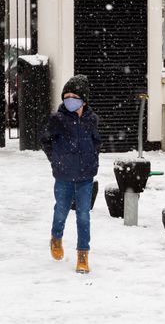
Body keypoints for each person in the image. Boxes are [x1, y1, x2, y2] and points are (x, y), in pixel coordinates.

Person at [40, 74, 101, 273]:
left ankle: (83, 255)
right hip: (63, 175)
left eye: (74, 95)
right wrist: (55, 159)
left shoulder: (92, 119)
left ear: (84, 99)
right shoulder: (57, 119)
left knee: (83, 216)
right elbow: (45, 140)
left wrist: (93, 159)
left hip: (85, 177)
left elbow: (96, 142)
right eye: (66, 96)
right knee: (61, 211)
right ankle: (56, 237)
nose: (70, 99)